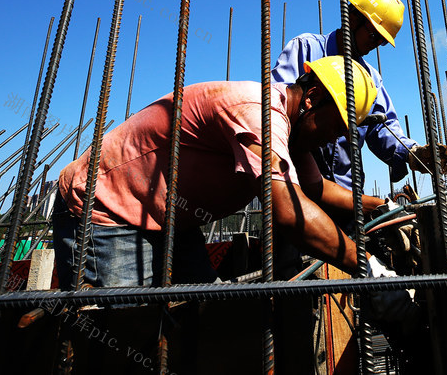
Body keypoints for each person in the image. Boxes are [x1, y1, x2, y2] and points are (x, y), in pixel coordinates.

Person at [53, 56, 388, 289]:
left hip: (168, 222)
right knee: (124, 335)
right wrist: (369, 266)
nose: (340, 137)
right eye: (340, 125)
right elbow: (288, 212)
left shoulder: (292, 130)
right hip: (108, 211)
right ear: (313, 98)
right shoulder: (259, 113)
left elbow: (314, 190)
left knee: (204, 316)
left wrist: (378, 205)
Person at [272, 0, 447, 188]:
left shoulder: (370, 79)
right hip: (296, 182)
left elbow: (383, 126)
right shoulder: (305, 48)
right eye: (374, 36)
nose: (375, 45)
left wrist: (412, 153)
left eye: (382, 42)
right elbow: (278, 107)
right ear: (353, 18)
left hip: (348, 191)